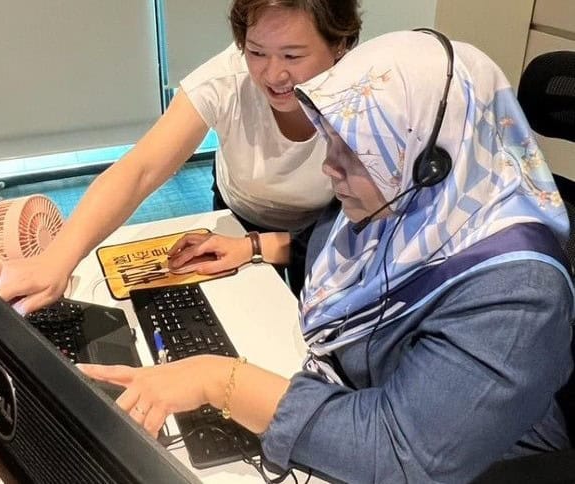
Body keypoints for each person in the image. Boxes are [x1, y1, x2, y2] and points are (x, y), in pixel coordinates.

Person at [82, 30, 575, 483]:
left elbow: (397, 455)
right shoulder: (412, 204)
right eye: (332, 142)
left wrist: (217, 379)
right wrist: (252, 246)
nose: (329, 166)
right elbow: (321, 247)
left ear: (430, 160)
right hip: (357, 404)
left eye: (355, 152)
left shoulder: (518, 296)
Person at [0, 0, 362, 313]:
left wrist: (261, 247)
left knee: (316, 326)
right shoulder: (224, 81)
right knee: (244, 313)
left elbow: (373, 227)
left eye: (292, 55)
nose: (272, 73)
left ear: (340, 45)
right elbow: (140, 169)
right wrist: (57, 260)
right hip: (241, 211)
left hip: (330, 228)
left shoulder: (369, 99)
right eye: (256, 52)